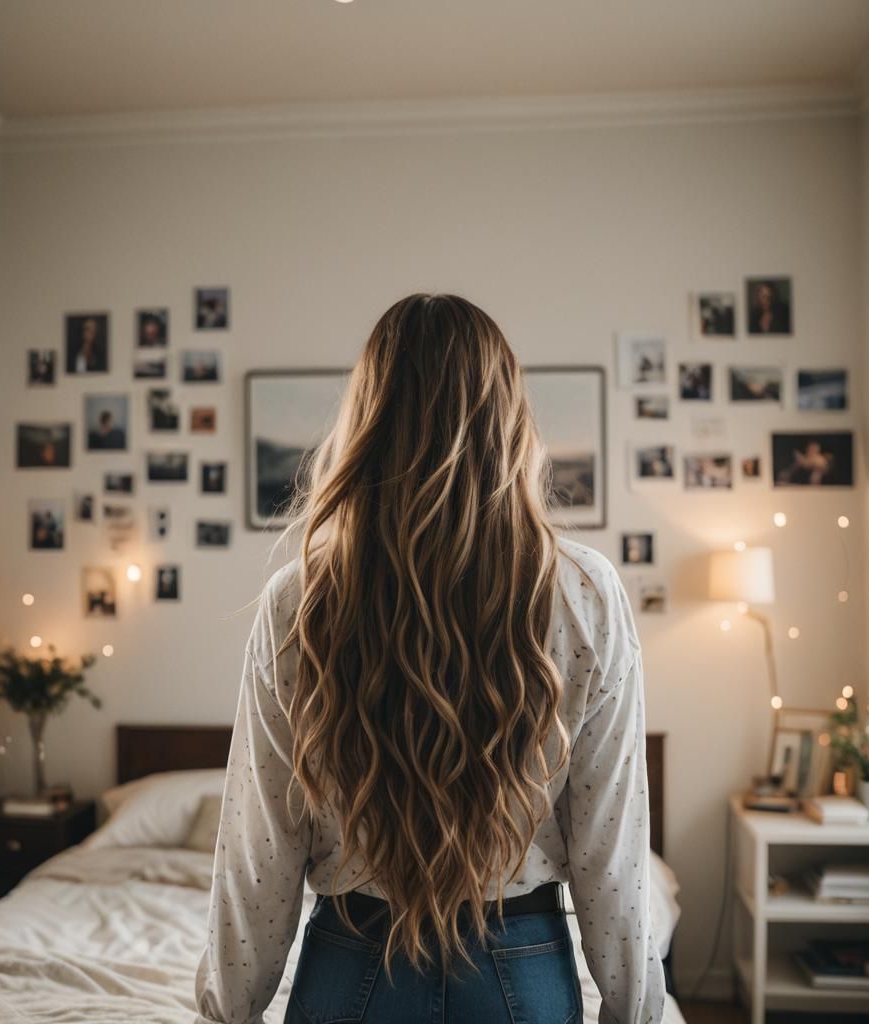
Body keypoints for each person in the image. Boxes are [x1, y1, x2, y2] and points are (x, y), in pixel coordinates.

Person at [194, 294, 666, 1024]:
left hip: (351, 965)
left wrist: (228, 1012)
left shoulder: (302, 598)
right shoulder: (584, 593)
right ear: (507, 417)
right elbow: (611, 846)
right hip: (522, 969)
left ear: (369, 418)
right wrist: (634, 1012)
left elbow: (261, 849)